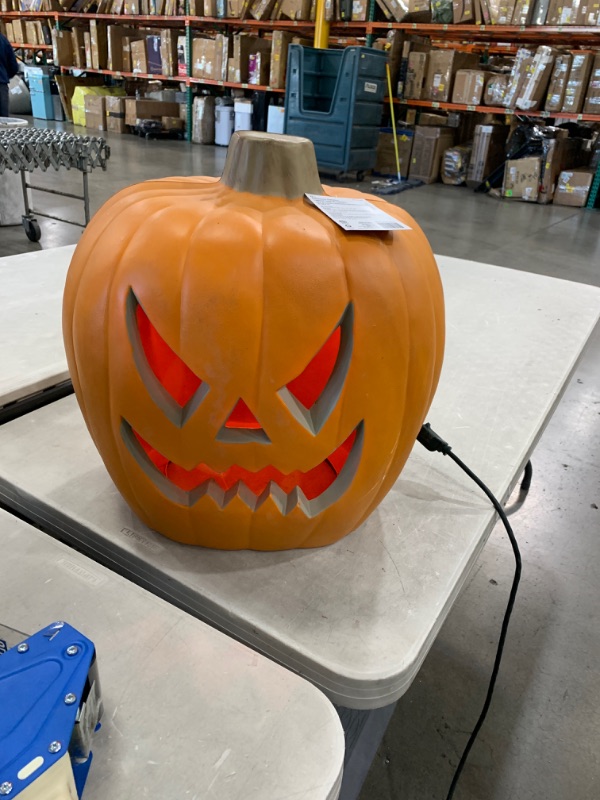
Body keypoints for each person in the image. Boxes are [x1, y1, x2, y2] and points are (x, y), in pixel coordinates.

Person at [0, 32, 19, 118]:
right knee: (3, 123)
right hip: (1, 85)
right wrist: (5, 76)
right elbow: (13, 66)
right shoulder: (3, 40)